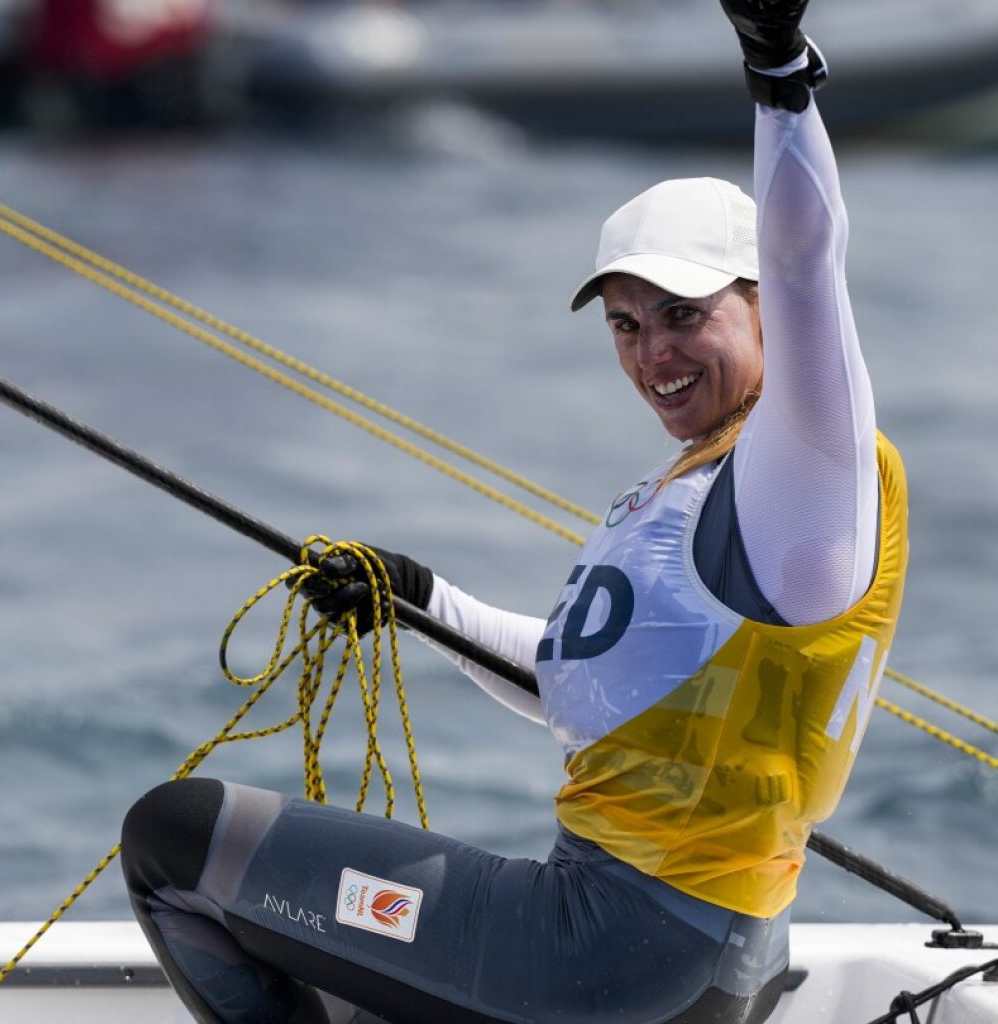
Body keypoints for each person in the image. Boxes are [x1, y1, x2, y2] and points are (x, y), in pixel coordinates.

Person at [120, 1, 908, 1021]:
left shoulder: (809, 480)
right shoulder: (695, 486)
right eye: (625, 325)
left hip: (605, 953)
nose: (651, 354)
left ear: (761, 307)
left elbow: (809, 264)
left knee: (180, 840)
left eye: (683, 314)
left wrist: (779, 74)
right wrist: (418, 599)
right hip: (706, 964)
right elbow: (590, 686)